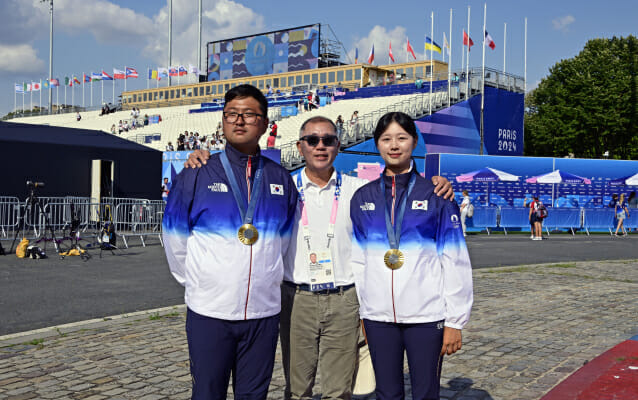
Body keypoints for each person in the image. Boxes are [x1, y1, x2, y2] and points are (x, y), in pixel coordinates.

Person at [184, 114, 454, 400]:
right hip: (297, 298)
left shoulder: (358, 192)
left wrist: (437, 183)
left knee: (338, 391)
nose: (320, 146)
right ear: (300, 147)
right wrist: (203, 157)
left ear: (338, 146)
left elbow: (395, 198)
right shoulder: (282, 186)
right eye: (312, 140)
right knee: (298, 390)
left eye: (328, 140)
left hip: (344, 300)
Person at [163, 84, 299, 400]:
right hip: (210, 312)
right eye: (231, 115)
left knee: (254, 395)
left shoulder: (281, 178)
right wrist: (200, 283)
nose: (239, 121)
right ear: (222, 121)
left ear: (264, 123)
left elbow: (284, 243)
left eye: (249, 114)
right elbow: (175, 239)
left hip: (263, 315)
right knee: (208, 393)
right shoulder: (198, 172)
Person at [349, 112, 473, 400]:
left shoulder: (437, 195)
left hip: (426, 317)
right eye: (386, 139)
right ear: (377, 144)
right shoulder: (363, 197)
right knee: (387, 392)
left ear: (414, 142)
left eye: (402, 138)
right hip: (378, 317)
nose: (394, 145)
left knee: (426, 392)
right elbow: (358, 261)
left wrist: (455, 321)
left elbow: (455, 260)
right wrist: (365, 313)